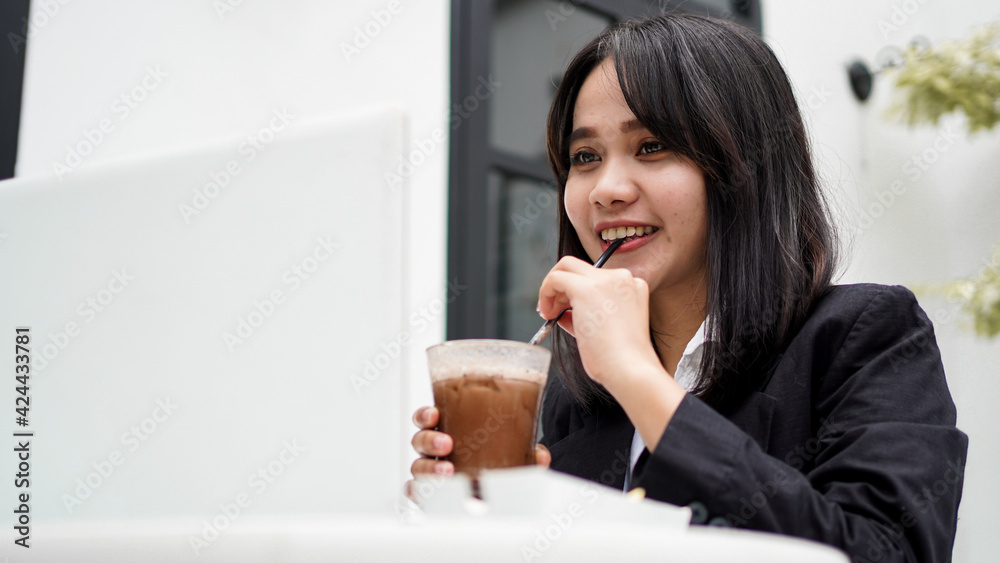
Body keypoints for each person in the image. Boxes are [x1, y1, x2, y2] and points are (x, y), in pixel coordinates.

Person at [410, 14, 967, 563]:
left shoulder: (866, 337)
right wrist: (486, 522)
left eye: (651, 146)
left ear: (743, 164)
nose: (606, 189)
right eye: (585, 158)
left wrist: (640, 380)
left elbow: (885, 552)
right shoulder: (571, 398)